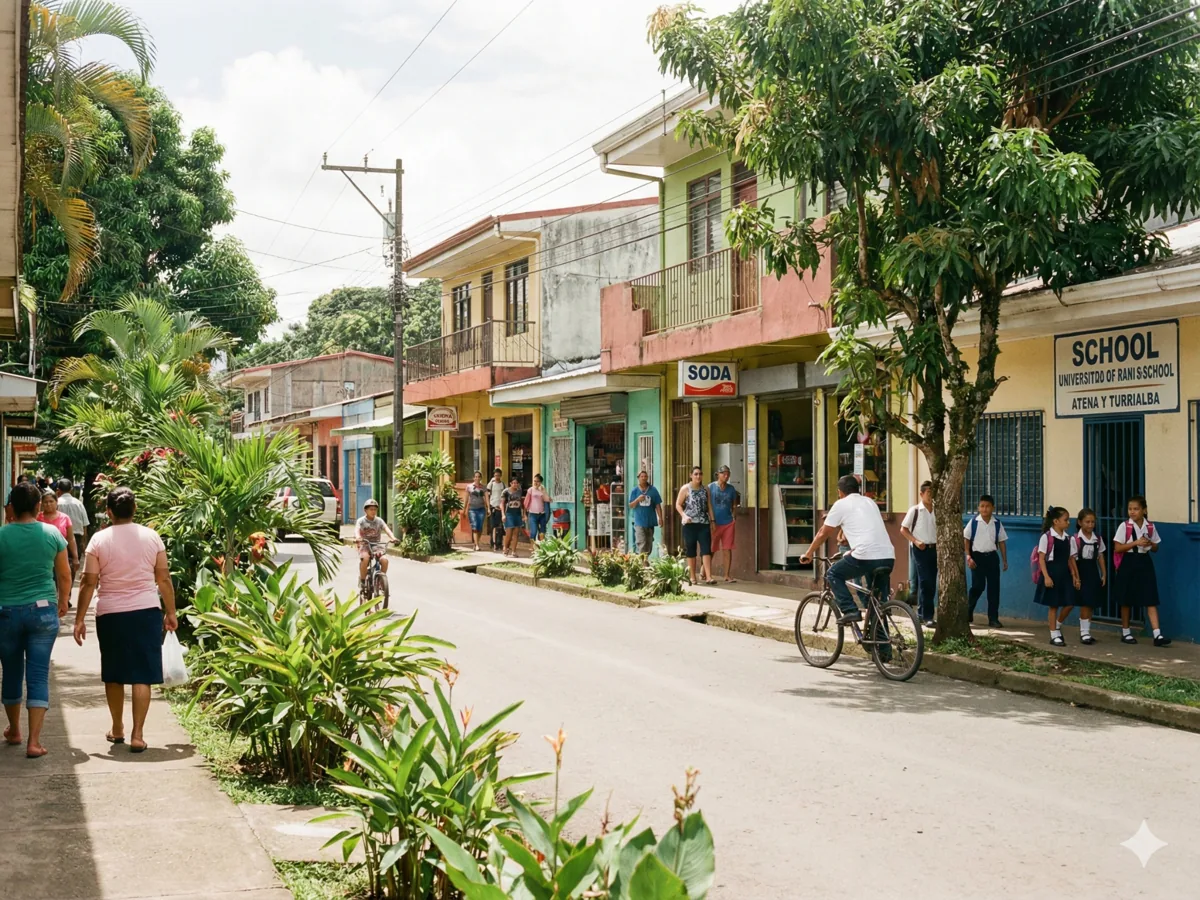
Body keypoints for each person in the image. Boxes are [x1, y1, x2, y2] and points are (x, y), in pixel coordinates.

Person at [72, 487, 176, 753]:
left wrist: (80, 618)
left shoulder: (99, 540)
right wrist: (171, 612)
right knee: (142, 674)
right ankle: (138, 734)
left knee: (115, 673)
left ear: (109, 512)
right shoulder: (152, 537)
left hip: (111, 613)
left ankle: (117, 727)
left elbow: (88, 582)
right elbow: (163, 578)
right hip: (146, 611)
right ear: (135, 509)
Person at [0, 481, 71, 758]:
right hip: (43, 611)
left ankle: (15, 730)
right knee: (38, 674)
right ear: (39, 507)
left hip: (6, 612)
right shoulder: (52, 533)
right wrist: (63, 601)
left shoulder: (2, 535)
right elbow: (64, 574)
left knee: (12, 671)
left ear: (12, 508)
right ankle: (34, 742)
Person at [801, 475, 895, 624]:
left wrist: (808, 553)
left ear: (840, 492)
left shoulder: (841, 504)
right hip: (888, 556)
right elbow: (867, 531)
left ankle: (850, 610)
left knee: (832, 574)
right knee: (877, 604)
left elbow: (823, 533)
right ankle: (882, 645)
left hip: (865, 556)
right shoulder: (870, 502)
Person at [1112, 494, 1170, 646]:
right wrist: (1135, 543)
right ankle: (1126, 632)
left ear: (1144, 510)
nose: (1132, 512)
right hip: (1129, 561)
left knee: (1150, 597)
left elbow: (1156, 547)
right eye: (1130, 509)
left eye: (1136, 509)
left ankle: (1157, 635)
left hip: (1144, 562)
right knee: (1126, 598)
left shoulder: (1150, 527)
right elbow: (1117, 548)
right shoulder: (1124, 526)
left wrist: (1150, 543)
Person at [1033, 506, 1077, 647]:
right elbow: (1041, 558)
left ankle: (1057, 625)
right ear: (1056, 521)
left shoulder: (1068, 539)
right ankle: (1053, 635)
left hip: (1064, 574)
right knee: (1053, 605)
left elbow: (1070, 559)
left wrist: (1075, 576)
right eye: (1066, 520)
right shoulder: (1047, 537)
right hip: (1052, 573)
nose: (1068, 522)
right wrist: (1046, 577)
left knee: (1070, 602)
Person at [964, 494, 1008, 628]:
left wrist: (1004, 560)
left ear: (993, 508)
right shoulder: (974, 522)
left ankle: (993, 618)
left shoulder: (997, 524)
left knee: (994, 589)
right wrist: (968, 556)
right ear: (978, 507)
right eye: (982, 506)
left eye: (988, 506)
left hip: (992, 558)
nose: (984, 509)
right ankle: (968, 610)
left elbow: (1001, 542)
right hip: (977, 558)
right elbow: (966, 538)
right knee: (978, 586)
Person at [1062, 507, 1105, 646]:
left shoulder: (1097, 539)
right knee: (1076, 602)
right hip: (1080, 571)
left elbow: (1100, 556)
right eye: (1087, 522)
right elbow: (1072, 558)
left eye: (1093, 522)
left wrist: (1103, 573)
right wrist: (1076, 576)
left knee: (1090, 602)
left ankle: (1086, 632)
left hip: (1092, 571)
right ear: (1080, 522)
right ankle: (1058, 625)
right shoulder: (1075, 539)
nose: (1090, 525)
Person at [901, 480, 937, 626]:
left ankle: (923, 613)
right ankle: (926, 616)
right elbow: (903, 529)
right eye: (928, 492)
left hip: (934, 549)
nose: (930, 495)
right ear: (921, 494)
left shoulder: (937, 510)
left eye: (932, 492)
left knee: (931, 582)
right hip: (919, 549)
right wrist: (916, 541)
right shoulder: (915, 510)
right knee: (924, 581)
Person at [675, 466, 715, 585]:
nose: (698, 476)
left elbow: (709, 506)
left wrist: (712, 521)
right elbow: (678, 504)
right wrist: (684, 515)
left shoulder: (705, 489)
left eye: (700, 474)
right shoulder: (685, 489)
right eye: (696, 474)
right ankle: (692, 576)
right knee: (691, 550)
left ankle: (708, 576)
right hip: (689, 524)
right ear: (691, 475)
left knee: (706, 550)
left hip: (703, 523)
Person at [708, 465, 740, 583]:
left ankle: (726, 575)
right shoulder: (710, 487)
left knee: (727, 549)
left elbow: (734, 504)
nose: (726, 476)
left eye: (728, 474)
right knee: (711, 548)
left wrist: (734, 516)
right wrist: (711, 520)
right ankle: (705, 571)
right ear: (718, 474)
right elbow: (707, 505)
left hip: (728, 522)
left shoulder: (731, 489)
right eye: (723, 474)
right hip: (714, 522)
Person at [38, 490, 79, 579]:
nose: (48, 504)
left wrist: (75, 557)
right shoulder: (37, 518)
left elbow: (71, 539)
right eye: (45, 502)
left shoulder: (65, 518)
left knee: (62, 582)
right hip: (42, 558)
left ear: (57, 502)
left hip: (61, 557)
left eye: (51, 501)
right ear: (42, 504)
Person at [356, 499, 396, 588]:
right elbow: (357, 530)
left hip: (376, 546)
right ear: (365, 510)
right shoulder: (361, 521)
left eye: (375, 509)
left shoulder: (379, 521)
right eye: (371, 509)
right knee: (365, 559)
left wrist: (393, 538)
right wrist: (358, 537)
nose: (373, 511)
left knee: (385, 561)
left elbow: (387, 529)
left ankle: (381, 581)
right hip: (364, 545)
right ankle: (362, 580)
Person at [627, 470, 663, 555]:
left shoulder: (653, 490)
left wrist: (660, 518)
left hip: (650, 521)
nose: (643, 478)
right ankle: (644, 564)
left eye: (645, 476)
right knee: (641, 542)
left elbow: (658, 505)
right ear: (638, 478)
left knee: (648, 544)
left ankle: (644, 561)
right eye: (641, 476)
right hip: (639, 522)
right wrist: (637, 500)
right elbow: (631, 505)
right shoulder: (635, 491)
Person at [55, 477, 89, 564]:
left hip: (59, 537)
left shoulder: (56, 503)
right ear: (71, 490)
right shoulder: (79, 503)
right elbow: (85, 524)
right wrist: (83, 542)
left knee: (59, 564)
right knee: (74, 563)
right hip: (76, 537)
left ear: (58, 490)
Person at [501, 478, 525, 557]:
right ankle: (506, 548)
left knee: (516, 533)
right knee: (509, 533)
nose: (515, 484)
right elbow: (502, 503)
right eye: (513, 483)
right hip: (509, 514)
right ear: (510, 483)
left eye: (516, 483)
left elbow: (522, 503)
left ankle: (514, 551)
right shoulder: (505, 492)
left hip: (517, 514)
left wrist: (523, 514)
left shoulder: (519, 491)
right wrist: (503, 515)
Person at [465, 471, 488, 551]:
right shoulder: (469, 487)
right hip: (472, 509)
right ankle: (477, 545)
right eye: (476, 476)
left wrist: (488, 508)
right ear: (473, 478)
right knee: (474, 526)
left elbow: (486, 498)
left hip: (481, 508)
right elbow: (466, 499)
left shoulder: (483, 487)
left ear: (481, 478)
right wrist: (465, 509)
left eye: (479, 476)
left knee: (480, 526)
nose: (477, 478)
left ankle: (476, 542)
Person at [524, 474, 550, 543]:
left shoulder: (543, 490)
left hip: (542, 514)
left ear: (540, 482)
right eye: (534, 481)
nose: (535, 483)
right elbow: (526, 503)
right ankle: (533, 547)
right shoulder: (531, 490)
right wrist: (524, 514)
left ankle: (541, 548)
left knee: (542, 532)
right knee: (533, 532)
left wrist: (543, 491)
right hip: (533, 514)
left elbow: (547, 500)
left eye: (538, 481)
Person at [486, 468, 506, 552]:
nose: (497, 477)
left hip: (500, 508)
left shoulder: (503, 484)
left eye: (498, 475)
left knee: (500, 527)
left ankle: (499, 543)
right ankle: (493, 543)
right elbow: (487, 494)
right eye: (495, 475)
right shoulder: (491, 484)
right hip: (492, 506)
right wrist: (488, 507)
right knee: (493, 526)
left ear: (501, 476)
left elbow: (504, 497)